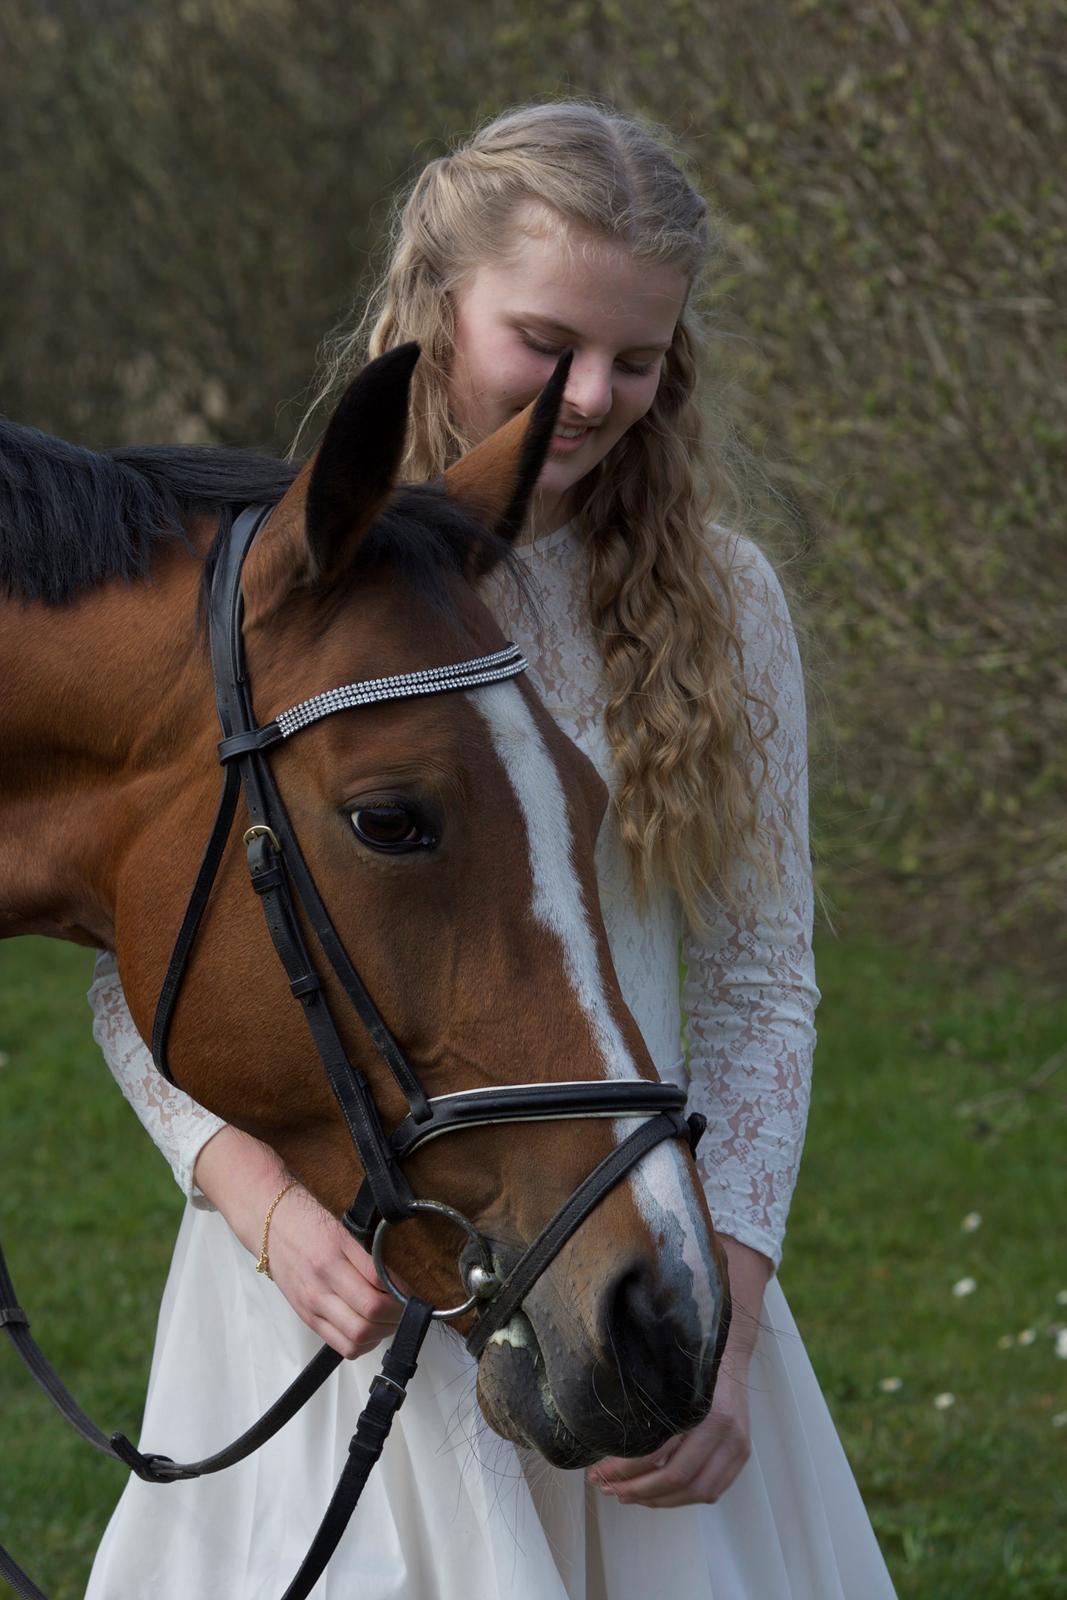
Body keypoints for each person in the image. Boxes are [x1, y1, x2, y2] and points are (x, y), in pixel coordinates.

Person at [85, 100, 896, 1599]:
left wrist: (731, 1306)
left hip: (622, 1260)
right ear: (437, 300)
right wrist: (254, 1199)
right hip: (343, 1290)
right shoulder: (287, 591)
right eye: (548, 342)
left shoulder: (721, 603)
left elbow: (763, 984)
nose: (591, 395)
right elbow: (133, 964)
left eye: (637, 359)